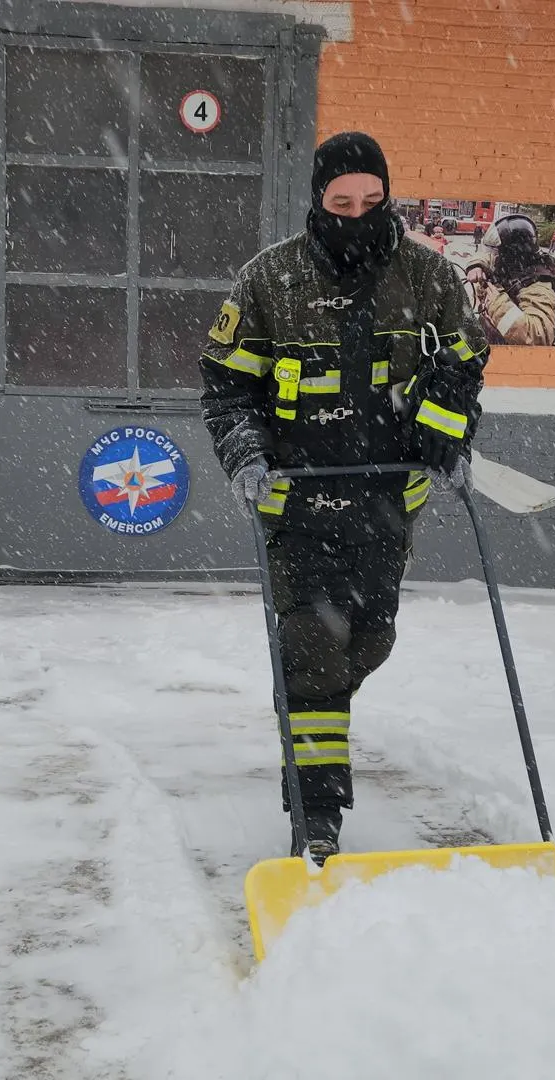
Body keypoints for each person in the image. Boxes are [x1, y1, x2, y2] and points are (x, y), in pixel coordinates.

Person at [198, 131, 489, 862]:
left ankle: (308, 707)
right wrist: (245, 454)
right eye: (342, 203)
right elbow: (227, 387)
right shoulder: (270, 279)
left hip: (388, 501)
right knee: (313, 651)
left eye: (372, 201)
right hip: (295, 503)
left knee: (370, 640)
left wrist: (447, 432)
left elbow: (465, 365)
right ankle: (317, 816)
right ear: (317, 201)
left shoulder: (429, 277)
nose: (358, 215)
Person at [463, 214, 555, 346]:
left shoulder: (539, 286)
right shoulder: (511, 265)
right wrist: (476, 265)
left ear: (511, 252)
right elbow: (486, 256)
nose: (494, 256)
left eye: (497, 252)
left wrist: (497, 305)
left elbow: (539, 336)